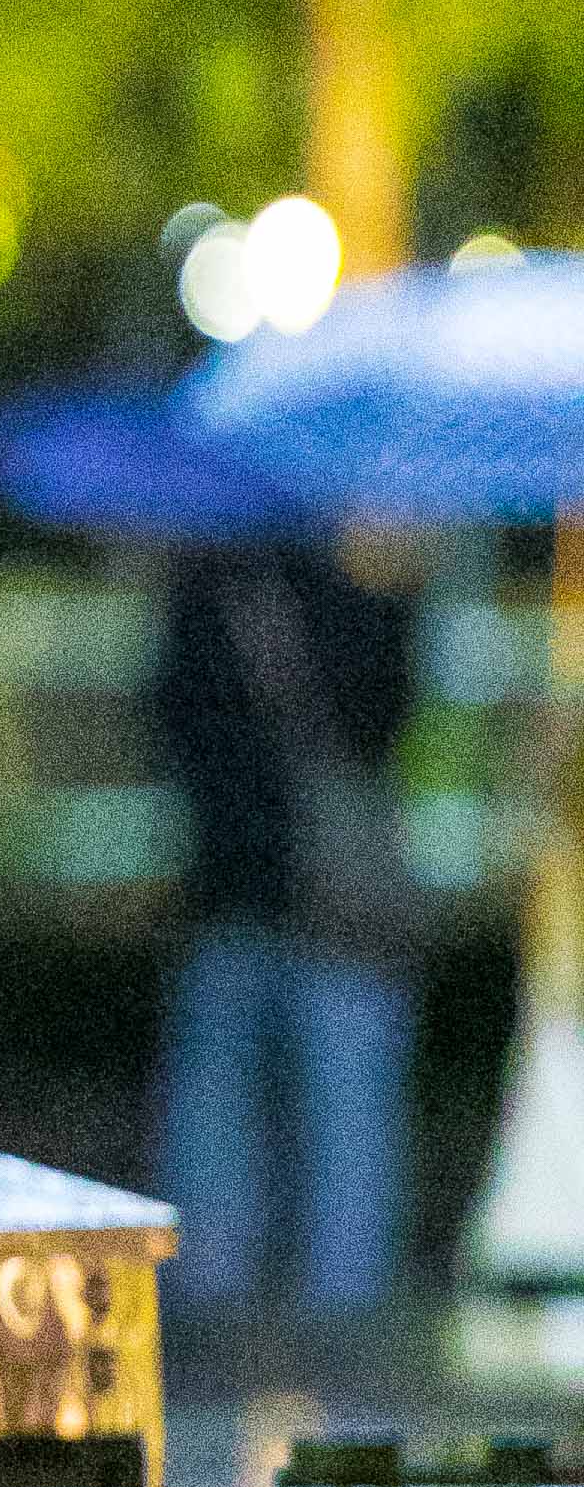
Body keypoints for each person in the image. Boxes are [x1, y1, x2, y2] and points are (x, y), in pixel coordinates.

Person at [148, 531, 424, 1335]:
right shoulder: (360, 587)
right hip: (325, 904)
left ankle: (214, 1295)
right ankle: (341, 1307)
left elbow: (171, 724)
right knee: (345, 1115)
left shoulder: (207, 591)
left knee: (220, 1110)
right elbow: (389, 723)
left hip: (237, 890)